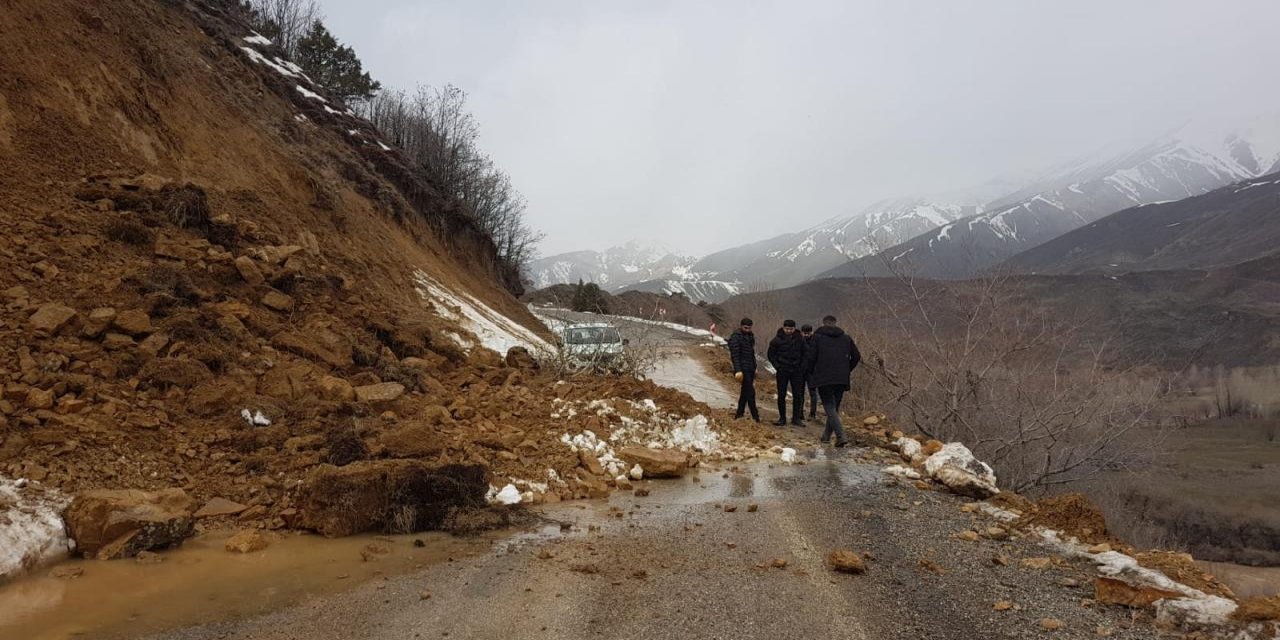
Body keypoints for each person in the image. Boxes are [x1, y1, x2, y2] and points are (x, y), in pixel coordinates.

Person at [803, 315, 861, 446]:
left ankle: (841, 436)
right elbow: (856, 356)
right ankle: (826, 437)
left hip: (824, 377)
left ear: (823, 323)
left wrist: (812, 371)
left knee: (829, 406)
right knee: (834, 408)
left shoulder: (817, 338)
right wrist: (847, 369)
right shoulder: (846, 338)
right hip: (841, 378)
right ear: (835, 324)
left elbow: (811, 357)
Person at [767, 319, 806, 426]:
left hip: (796, 370)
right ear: (783, 328)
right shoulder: (777, 339)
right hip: (782, 370)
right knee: (781, 394)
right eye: (787, 329)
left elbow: (806, 354)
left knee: (797, 395)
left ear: (794, 328)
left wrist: (802, 367)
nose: (789, 331)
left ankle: (796, 418)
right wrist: (777, 366)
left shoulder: (800, 339)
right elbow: (770, 354)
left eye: (791, 329)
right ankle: (782, 418)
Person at [726, 317, 759, 421]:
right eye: (745, 328)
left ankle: (739, 414)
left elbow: (751, 354)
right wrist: (738, 370)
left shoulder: (750, 336)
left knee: (745, 392)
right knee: (750, 392)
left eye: (749, 328)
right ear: (741, 326)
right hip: (742, 368)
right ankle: (755, 417)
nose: (747, 330)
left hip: (750, 368)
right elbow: (735, 355)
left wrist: (755, 367)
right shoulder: (736, 337)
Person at [800, 324, 819, 420]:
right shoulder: (799, 341)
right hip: (802, 370)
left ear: (811, 332)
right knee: (800, 392)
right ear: (801, 332)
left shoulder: (816, 341)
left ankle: (812, 413)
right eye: (804, 333)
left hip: (811, 371)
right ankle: (800, 413)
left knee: (812, 392)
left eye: (808, 333)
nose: (806, 335)